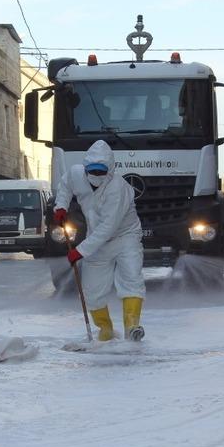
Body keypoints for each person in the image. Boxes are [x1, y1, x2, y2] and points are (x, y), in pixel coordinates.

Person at [53, 140, 146, 342]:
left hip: (125, 237)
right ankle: (105, 329)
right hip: (96, 239)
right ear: (85, 167)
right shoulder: (76, 174)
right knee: (92, 290)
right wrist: (61, 206)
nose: (96, 176)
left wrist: (80, 251)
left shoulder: (117, 188)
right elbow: (65, 185)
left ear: (110, 170)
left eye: (100, 171)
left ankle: (132, 327)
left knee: (131, 279)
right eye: (92, 171)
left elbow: (107, 228)